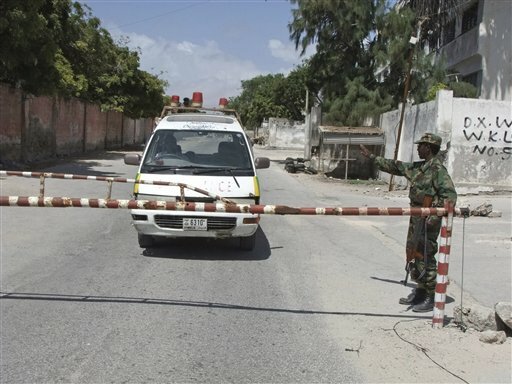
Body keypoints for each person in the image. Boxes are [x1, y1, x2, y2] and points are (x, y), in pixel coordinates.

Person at [360, 133, 457, 312]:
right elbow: (396, 167)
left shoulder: (438, 171)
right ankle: (420, 289)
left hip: (428, 219)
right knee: (414, 251)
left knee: (426, 254)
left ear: (428, 148)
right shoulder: (419, 168)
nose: (418, 148)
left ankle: (430, 294)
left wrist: (433, 218)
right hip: (416, 216)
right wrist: (373, 158)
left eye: (421, 146)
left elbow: (450, 196)